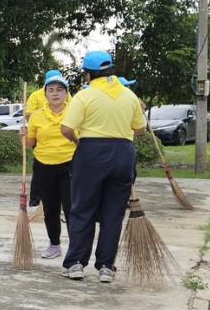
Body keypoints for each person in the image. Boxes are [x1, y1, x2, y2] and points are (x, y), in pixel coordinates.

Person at [58, 51, 146, 283]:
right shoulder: (130, 96)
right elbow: (140, 129)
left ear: (88, 74)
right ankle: (106, 267)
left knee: (82, 208)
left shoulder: (85, 96)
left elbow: (66, 128)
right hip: (123, 154)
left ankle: (76, 263)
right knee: (113, 212)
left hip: (91, 153)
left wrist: (79, 142)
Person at [21, 70, 75, 259]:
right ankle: (54, 245)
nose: (55, 93)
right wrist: (24, 136)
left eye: (59, 89)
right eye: (50, 90)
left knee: (71, 208)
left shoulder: (75, 112)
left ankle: (75, 248)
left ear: (66, 93)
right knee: (50, 208)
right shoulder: (37, 116)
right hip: (43, 165)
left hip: (69, 164)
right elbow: (30, 143)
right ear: (45, 94)